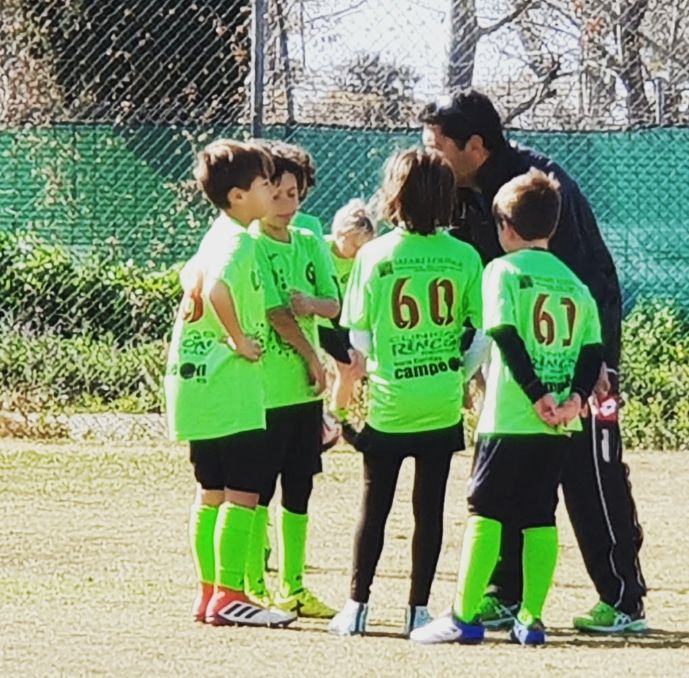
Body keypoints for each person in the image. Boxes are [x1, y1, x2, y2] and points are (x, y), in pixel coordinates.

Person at [419, 90, 647, 634]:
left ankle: (622, 600)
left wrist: (596, 370)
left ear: (475, 145)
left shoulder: (540, 187)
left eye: (438, 146)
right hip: (514, 383)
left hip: (576, 367)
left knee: (591, 470)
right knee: (510, 482)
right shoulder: (460, 192)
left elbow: (590, 282)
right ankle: (504, 594)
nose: (430, 156)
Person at [412, 168, 603, 646]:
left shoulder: (501, 271)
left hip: (511, 418)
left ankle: (463, 616)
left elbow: (504, 335)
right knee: (540, 514)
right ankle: (532, 619)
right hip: (560, 424)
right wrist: (572, 401)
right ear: (552, 227)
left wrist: (536, 394)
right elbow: (591, 353)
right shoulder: (577, 285)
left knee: (484, 511)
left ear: (505, 228)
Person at [328, 148, 483, 637]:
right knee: (429, 508)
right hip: (440, 401)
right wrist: (457, 374)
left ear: (394, 194)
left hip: (391, 402)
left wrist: (374, 372)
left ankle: (356, 607)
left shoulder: (374, 254)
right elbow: (480, 332)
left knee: (374, 506)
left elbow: (358, 338)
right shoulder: (464, 256)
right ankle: (418, 610)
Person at [164, 139, 295, 628]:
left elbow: (189, 279)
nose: (272, 190)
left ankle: (208, 595)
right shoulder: (239, 240)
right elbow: (217, 287)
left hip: (197, 383)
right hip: (228, 385)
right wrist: (239, 339)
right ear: (239, 196)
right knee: (244, 493)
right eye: (264, 184)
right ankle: (232, 595)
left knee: (211, 492)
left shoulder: (215, 234)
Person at [243, 141, 340, 618]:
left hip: (304, 393)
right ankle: (253, 583)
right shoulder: (252, 244)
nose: (286, 205)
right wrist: (312, 359)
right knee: (257, 487)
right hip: (268, 388)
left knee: (300, 485)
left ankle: (294, 585)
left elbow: (333, 303)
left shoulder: (309, 240)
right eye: (276, 194)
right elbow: (276, 313)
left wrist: (314, 307)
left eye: (294, 194)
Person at [319, 199, 375, 438]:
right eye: (354, 244)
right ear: (340, 233)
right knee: (345, 365)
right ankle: (331, 421)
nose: (356, 252)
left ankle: (336, 420)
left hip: (346, 320)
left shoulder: (361, 260)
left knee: (350, 368)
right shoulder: (320, 250)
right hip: (321, 319)